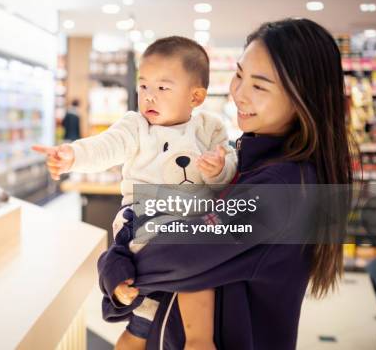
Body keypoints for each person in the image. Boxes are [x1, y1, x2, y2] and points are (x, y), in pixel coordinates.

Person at [97, 18, 356, 349]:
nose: (238, 94)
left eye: (259, 86)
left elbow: (174, 255)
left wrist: (113, 260)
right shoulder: (254, 162)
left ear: (304, 99)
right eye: (238, 75)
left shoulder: (281, 187)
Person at [33, 36, 238, 349]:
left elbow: (230, 166)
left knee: (147, 319)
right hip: (143, 219)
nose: (149, 97)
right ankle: (198, 340)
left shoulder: (210, 128)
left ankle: (167, 333)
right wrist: (73, 155)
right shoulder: (136, 126)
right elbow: (106, 146)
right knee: (190, 259)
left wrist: (218, 169)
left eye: (163, 88)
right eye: (144, 87)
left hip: (191, 220)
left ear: (195, 96)